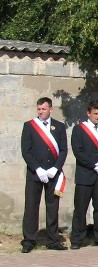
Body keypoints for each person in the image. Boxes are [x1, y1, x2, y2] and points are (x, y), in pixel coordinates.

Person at [20, 97, 68, 252]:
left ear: (51, 109)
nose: (41, 112)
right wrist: (37, 169)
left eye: (44, 109)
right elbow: (26, 151)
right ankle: (29, 241)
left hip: (53, 174)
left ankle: (53, 240)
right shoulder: (29, 126)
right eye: (39, 109)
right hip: (35, 174)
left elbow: (63, 150)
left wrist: (55, 168)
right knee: (31, 207)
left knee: (53, 207)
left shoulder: (59, 127)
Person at [70, 100, 98, 249]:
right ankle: (77, 239)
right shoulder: (79, 129)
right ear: (88, 113)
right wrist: (93, 165)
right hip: (85, 175)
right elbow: (78, 152)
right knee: (80, 209)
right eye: (95, 113)